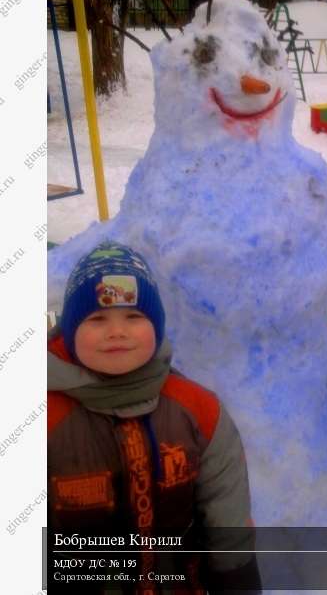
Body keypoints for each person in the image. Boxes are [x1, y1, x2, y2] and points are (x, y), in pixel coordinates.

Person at [48, 241, 261, 593]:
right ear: (70, 332)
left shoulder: (200, 411)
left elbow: (228, 523)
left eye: (134, 316)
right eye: (97, 318)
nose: (117, 331)